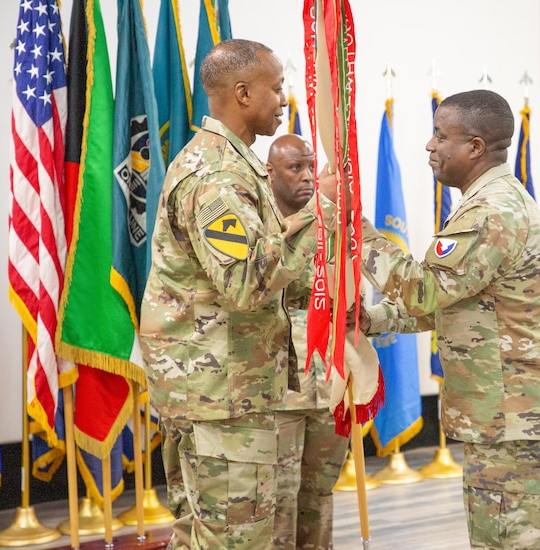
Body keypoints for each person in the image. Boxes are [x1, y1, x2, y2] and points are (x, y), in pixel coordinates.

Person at [357, 89, 540, 549]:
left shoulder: (488, 212)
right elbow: (463, 305)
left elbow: (423, 289)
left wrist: (355, 232)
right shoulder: (502, 200)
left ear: (474, 147)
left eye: (440, 135)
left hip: (517, 421)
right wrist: (373, 318)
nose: (430, 146)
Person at [139, 39, 337, 549]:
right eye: (276, 88)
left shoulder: (230, 163)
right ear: (243, 93)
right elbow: (246, 283)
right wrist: (324, 212)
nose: (284, 98)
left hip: (215, 390)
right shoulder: (217, 176)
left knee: (203, 537)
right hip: (221, 396)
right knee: (237, 540)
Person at [266, 134, 349, 549]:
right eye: (293, 168)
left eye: (308, 167)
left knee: (318, 495)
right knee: (278, 502)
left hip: (329, 384)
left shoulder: (330, 226)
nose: (305, 177)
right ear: (270, 172)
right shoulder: (264, 228)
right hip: (281, 389)